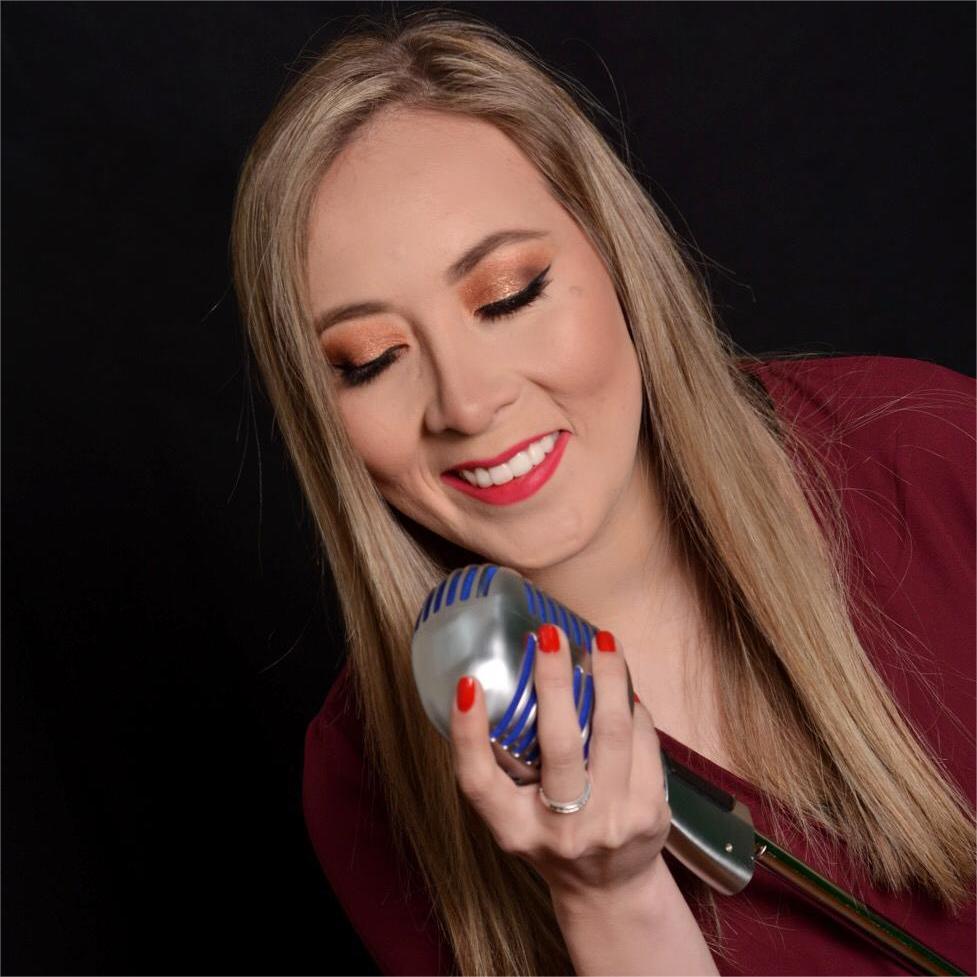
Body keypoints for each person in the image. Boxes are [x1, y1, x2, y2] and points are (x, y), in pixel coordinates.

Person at [230, 11, 975, 975]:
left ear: (615, 253)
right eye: (370, 360)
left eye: (507, 296)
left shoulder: (925, 451)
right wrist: (611, 902)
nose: (466, 403)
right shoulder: (367, 787)